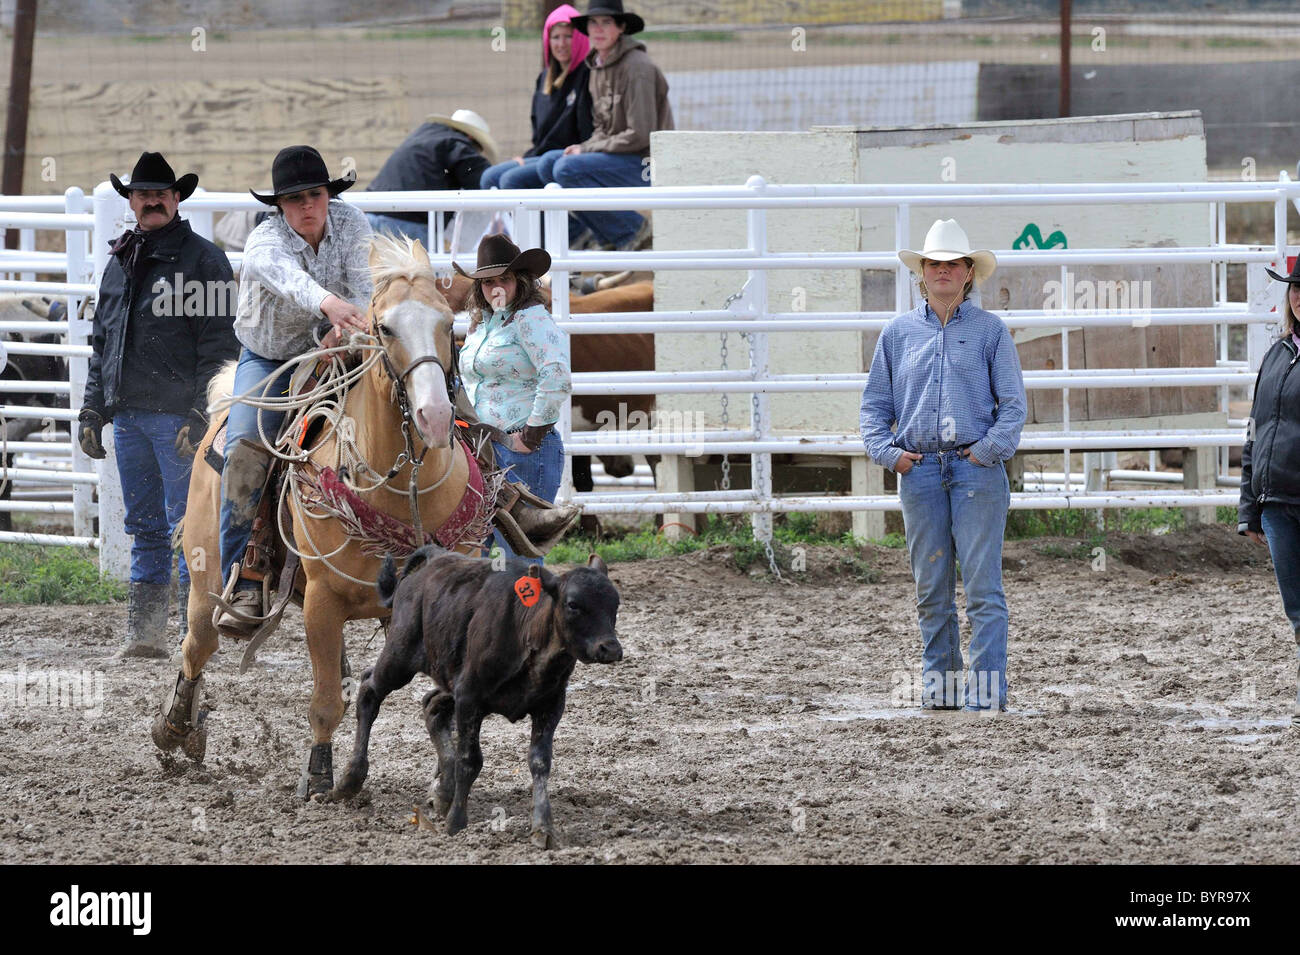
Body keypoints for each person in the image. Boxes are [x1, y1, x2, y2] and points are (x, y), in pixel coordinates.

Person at [859, 218, 1027, 712]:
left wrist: (986, 450)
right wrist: (890, 455)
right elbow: (873, 407)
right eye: (935, 264)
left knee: (982, 589)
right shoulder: (897, 334)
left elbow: (1013, 405)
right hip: (922, 471)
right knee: (931, 589)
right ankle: (944, 690)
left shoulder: (990, 331)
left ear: (968, 273)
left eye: (952, 264)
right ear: (922, 273)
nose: (943, 271)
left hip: (974, 468)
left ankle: (986, 695)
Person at [79, 151, 239, 658]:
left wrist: (199, 413)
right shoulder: (120, 261)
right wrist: (93, 407)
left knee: (183, 523)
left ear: (175, 199)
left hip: (175, 418)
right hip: (128, 415)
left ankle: (195, 631)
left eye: (160, 194)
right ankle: (146, 635)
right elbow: (102, 340)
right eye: (143, 193)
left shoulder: (203, 260)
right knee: (147, 524)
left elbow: (221, 346)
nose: (152, 200)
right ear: (131, 201)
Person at [216, 145, 372, 637]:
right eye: (295, 198)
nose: (308, 205)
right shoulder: (265, 239)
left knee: (410, 393)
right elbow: (286, 279)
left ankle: (490, 502)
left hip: (342, 341)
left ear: (329, 195)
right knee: (245, 447)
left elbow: (366, 283)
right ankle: (238, 577)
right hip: (271, 356)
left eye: (316, 194)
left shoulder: (351, 224)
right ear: (280, 206)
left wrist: (345, 327)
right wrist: (330, 305)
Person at [455, 233, 580, 562]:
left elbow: (556, 375)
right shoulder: (484, 324)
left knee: (517, 553)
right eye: (486, 282)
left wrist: (532, 434)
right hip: (487, 449)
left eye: (504, 279)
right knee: (491, 551)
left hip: (523, 447)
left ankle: (526, 611)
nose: (495, 288)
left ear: (520, 281)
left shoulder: (531, 319)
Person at [546, 0, 672, 251]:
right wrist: (584, 146)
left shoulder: (637, 67)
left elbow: (640, 135)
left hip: (649, 164)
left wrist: (589, 150)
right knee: (550, 162)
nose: (598, 29)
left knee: (566, 169)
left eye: (606, 22)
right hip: (620, 159)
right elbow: (603, 128)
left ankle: (633, 231)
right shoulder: (598, 66)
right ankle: (604, 236)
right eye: (593, 22)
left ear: (621, 28)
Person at [1239, 259, 1300, 725]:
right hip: (1277, 502)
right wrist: (1249, 505)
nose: (1299, 297)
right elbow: (1256, 432)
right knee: (1296, 611)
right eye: (1296, 289)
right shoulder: (1276, 356)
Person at [479, 5, 592, 193]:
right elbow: (539, 135)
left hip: (567, 157)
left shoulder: (588, 76)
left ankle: (573, 225)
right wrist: (525, 157)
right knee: (489, 178)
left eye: (568, 36)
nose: (561, 44)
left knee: (512, 181)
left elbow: (583, 131)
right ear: (547, 41)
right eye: (556, 37)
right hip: (541, 156)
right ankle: (514, 224)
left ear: (580, 38)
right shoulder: (544, 79)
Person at [364, 110, 498, 248]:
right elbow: (484, 179)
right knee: (422, 268)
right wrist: (508, 170)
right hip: (410, 224)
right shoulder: (456, 143)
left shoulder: (423, 135)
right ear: (470, 137)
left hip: (372, 215)